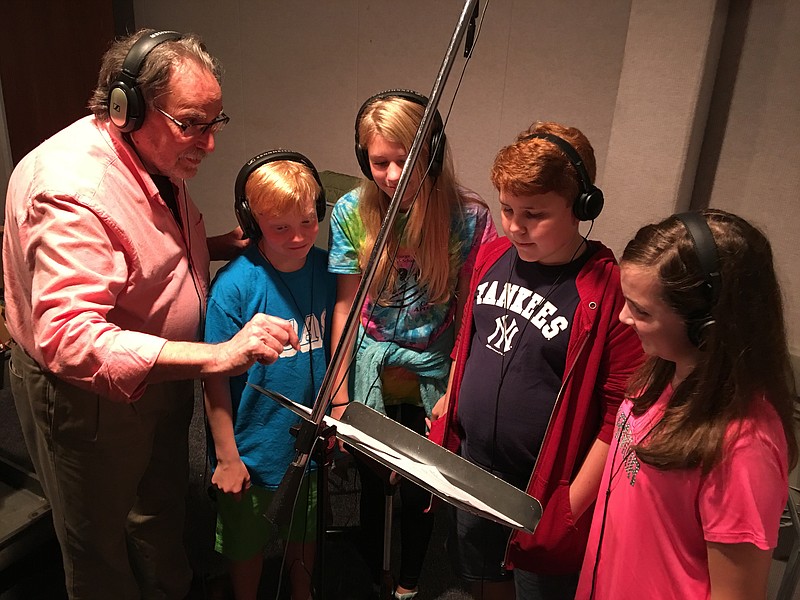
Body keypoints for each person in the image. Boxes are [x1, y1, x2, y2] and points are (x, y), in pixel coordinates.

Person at [2, 30, 297, 600]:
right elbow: (71, 338)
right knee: (98, 539)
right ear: (125, 106)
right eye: (193, 124)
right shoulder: (69, 191)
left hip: (162, 370)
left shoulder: (150, 156)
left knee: (158, 503)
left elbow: (137, 247)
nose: (208, 144)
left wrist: (212, 244)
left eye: (216, 123)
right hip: (86, 398)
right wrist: (220, 354)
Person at [429, 121, 644, 600]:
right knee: (480, 581)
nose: (514, 226)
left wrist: (569, 507)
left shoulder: (608, 290)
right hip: (475, 468)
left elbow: (619, 416)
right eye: (506, 209)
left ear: (582, 208)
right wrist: (450, 397)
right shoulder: (490, 256)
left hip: (547, 494)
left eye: (534, 214)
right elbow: (471, 338)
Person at [575, 209, 798, 600]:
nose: (625, 317)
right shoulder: (662, 370)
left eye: (642, 310)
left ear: (708, 327)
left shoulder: (744, 448)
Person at [327, 89, 498, 599]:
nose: (394, 174)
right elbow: (346, 307)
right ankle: (372, 575)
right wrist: (337, 392)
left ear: (433, 153)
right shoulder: (351, 212)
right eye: (381, 162)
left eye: (409, 159)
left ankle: (410, 581)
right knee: (372, 476)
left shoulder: (470, 217)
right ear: (364, 159)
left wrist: (456, 386)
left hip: (432, 366)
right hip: (370, 364)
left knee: (422, 488)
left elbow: (471, 311)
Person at [203, 151, 337, 600]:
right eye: (280, 227)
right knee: (246, 545)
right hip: (252, 449)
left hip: (309, 444)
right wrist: (227, 457)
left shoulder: (329, 271)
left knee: (305, 534)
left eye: (307, 222)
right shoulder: (235, 286)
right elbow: (213, 378)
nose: (297, 237)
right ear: (252, 220)